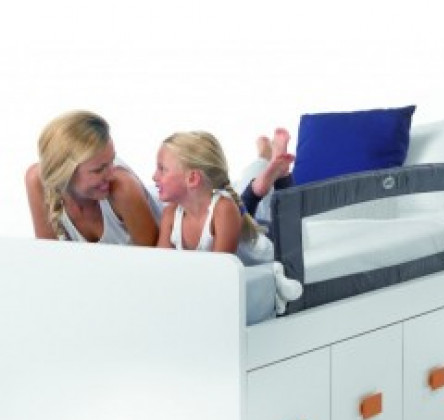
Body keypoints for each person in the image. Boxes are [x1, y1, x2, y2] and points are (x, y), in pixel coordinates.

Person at [153, 129, 302, 313]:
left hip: (271, 242)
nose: (154, 176)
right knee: (242, 205)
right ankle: (263, 170)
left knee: (290, 224)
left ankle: (281, 173)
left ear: (192, 178)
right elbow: (160, 267)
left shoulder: (223, 210)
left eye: (162, 169)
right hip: (245, 221)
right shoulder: (170, 215)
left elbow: (219, 274)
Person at [25, 110, 161, 245]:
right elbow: (48, 253)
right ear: (65, 173)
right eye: (98, 170)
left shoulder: (123, 188)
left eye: (112, 161)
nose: (111, 175)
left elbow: (151, 257)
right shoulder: (37, 181)